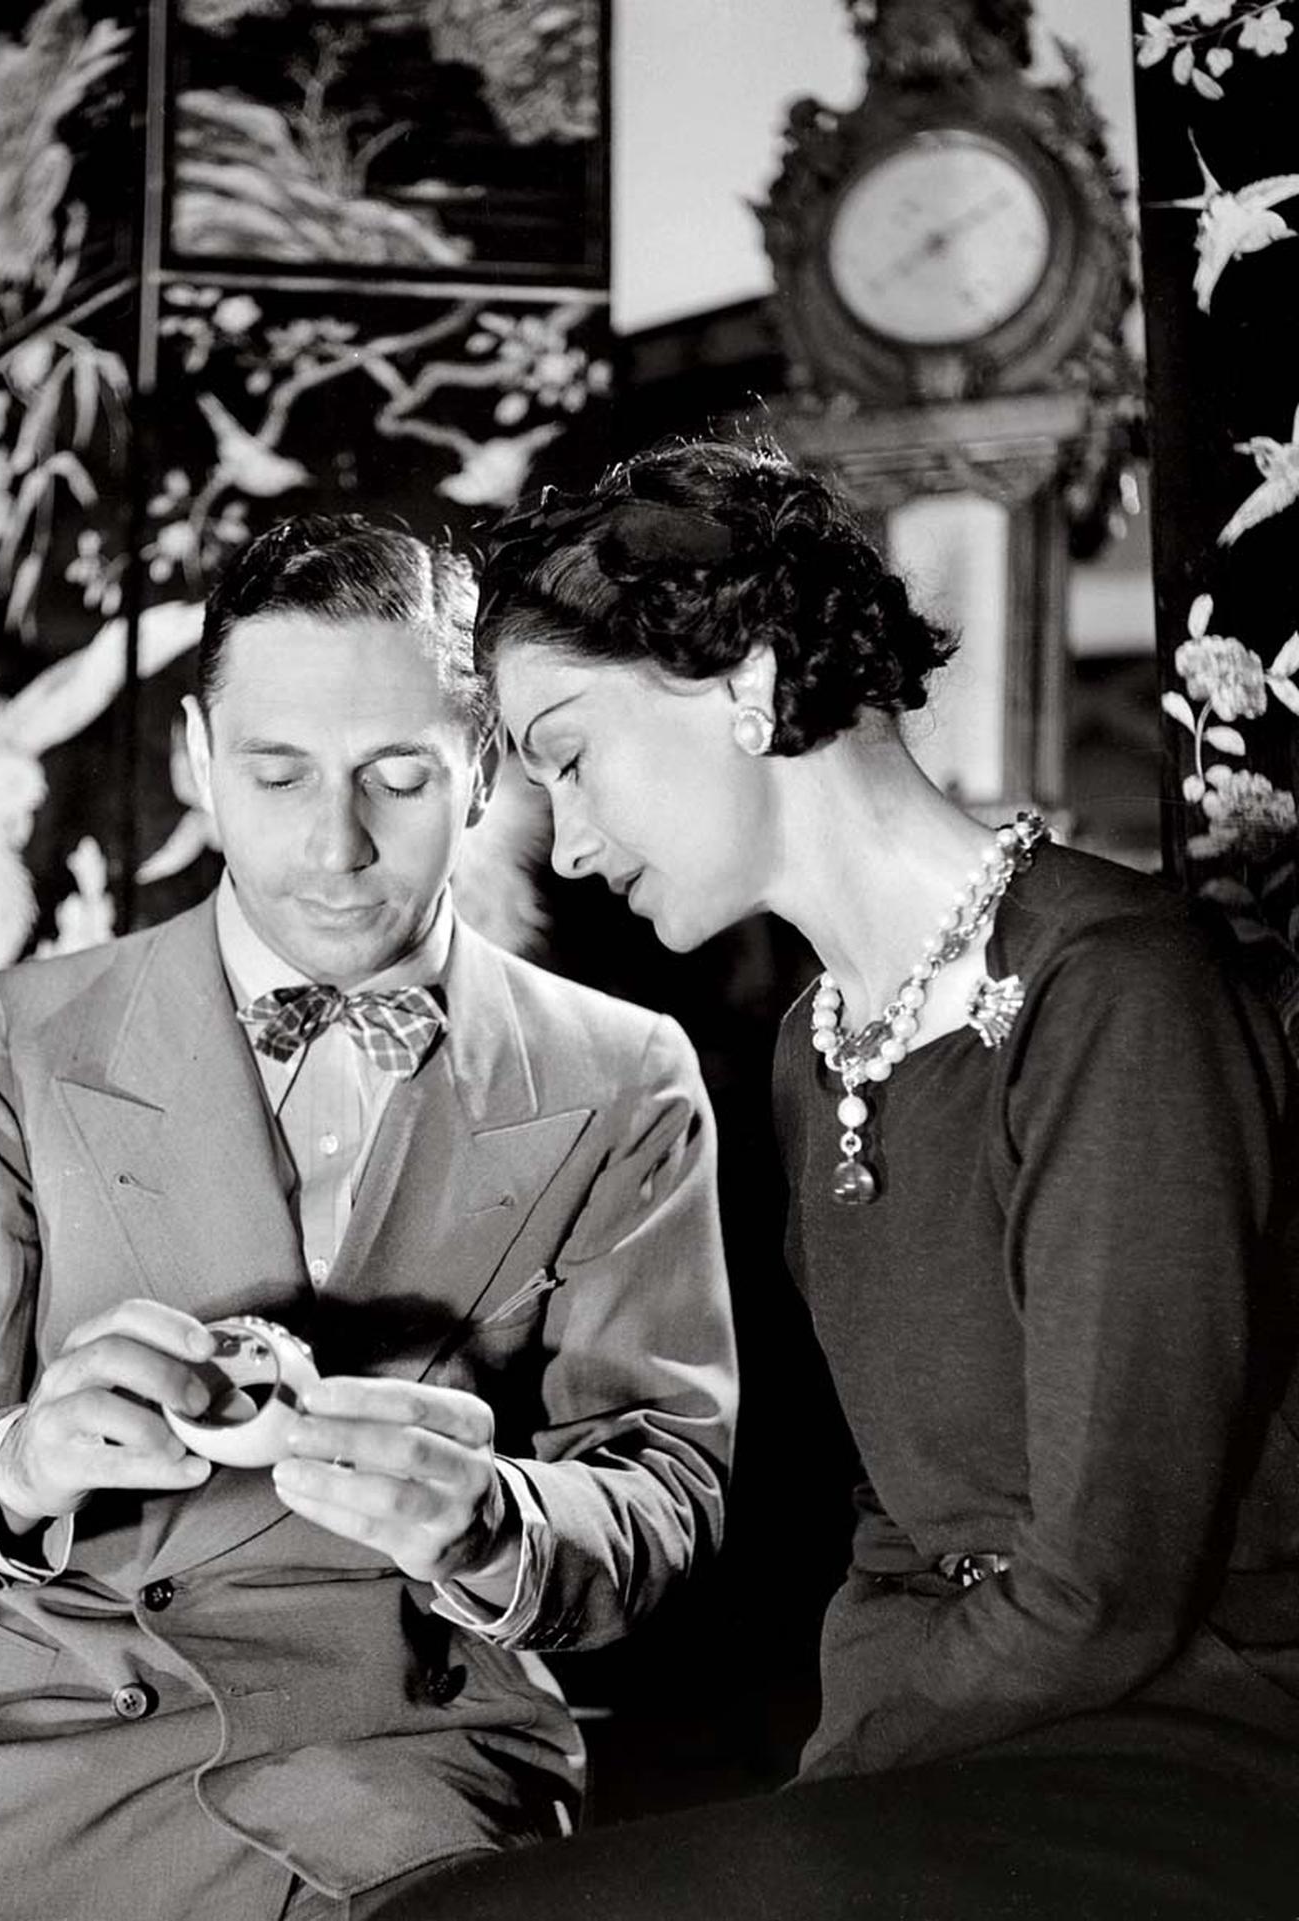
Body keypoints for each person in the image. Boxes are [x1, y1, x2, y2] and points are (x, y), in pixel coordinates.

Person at [374, 440, 1299, 1920]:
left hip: (1197, 1748)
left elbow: (1100, 1589)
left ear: (742, 679)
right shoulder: (821, 1048)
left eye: (567, 750)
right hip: (969, 1756)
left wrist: (839, 1775)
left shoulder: (1115, 991)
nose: (570, 835)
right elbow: (895, 1522)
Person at [0, 514, 738, 1921]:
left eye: (398, 776)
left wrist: (494, 1520)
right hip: (43, 1770)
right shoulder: (8, 1043)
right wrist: (26, 1458)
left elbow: (667, 1489)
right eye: (277, 771)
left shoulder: (626, 1075)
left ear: (481, 768)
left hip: (411, 1768)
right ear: (194, 758)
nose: (334, 842)